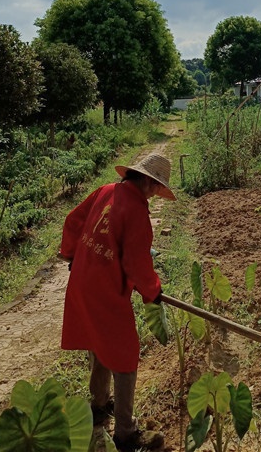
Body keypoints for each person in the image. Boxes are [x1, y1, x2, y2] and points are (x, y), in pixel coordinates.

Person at [59, 153, 175, 452]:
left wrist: (72, 255)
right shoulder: (136, 211)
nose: (154, 194)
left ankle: (99, 405)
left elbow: (73, 220)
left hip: (83, 280)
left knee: (100, 344)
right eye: (155, 188)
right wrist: (153, 290)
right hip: (105, 291)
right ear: (147, 181)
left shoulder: (106, 190)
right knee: (125, 355)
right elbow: (136, 263)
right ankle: (125, 431)